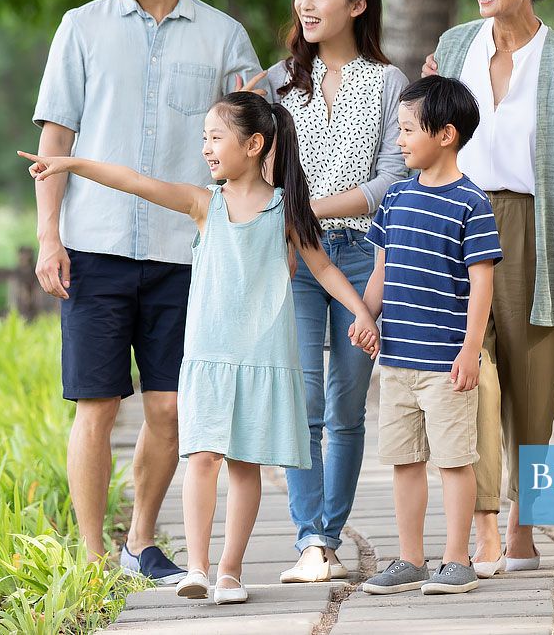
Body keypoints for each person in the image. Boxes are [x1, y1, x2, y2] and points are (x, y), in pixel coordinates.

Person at [20, 93, 380, 604]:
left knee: (246, 464)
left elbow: (323, 268)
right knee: (203, 457)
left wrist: (362, 312)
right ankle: (197, 566)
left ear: (254, 145)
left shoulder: (286, 211)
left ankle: (230, 572)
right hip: (209, 358)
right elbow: (134, 181)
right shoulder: (203, 203)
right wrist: (72, 163)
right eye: (204, 139)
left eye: (216, 138)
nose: (206, 149)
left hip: (263, 361)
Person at [30, 0, 264, 584]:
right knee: (96, 404)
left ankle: (141, 539)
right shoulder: (81, 26)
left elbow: (259, 137)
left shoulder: (223, 36)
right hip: (94, 246)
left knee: (168, 406)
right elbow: (54, 137)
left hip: (186, 255)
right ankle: (94, 556)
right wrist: (49, 236)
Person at [422, 0, 554, 576]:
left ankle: (526, 522)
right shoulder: (454, 42)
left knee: (532, 384)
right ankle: (485, 527)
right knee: (469, 378)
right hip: (456, 218)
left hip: (530, 226)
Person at [264, 0, 409, 584]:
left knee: (348, 403)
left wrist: (311, 205)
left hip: (363, 256)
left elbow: (392, 178)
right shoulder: (276, 85)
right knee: (302, 402)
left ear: (357, 5)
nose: (306, 3)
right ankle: (312, 540)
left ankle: (326, 531)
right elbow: (252, 163)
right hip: (294, 260)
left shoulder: (388, 82)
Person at [355, 77, 503, 597]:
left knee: (455, 461)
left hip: (447, 365)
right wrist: (366, 315)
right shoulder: (394, 198)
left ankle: (456, 559)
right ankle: (410, 558)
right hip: (396, 362)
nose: (398, 139)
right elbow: (381, 271)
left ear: (445, 134)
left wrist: (469, 350)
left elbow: (482, 282)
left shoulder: (471, 202)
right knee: (404, 459)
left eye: (407, 130)